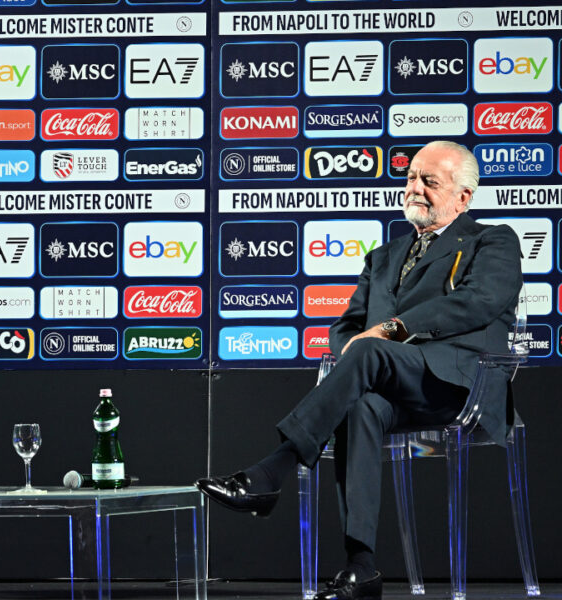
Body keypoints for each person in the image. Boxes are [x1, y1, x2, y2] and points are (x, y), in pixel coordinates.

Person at [197, 140, 522, 600]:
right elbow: (348, 326)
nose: (415, 188)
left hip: (459, 384)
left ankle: (274, 469)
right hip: (393, 383)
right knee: (361, 404)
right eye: (411, 177)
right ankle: (362, 566)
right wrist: (358, 344)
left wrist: (390, 330)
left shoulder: (494, 240)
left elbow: (480, 302)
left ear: (462, 197)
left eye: (430, 181)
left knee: (369, 357)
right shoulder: (384, 256)